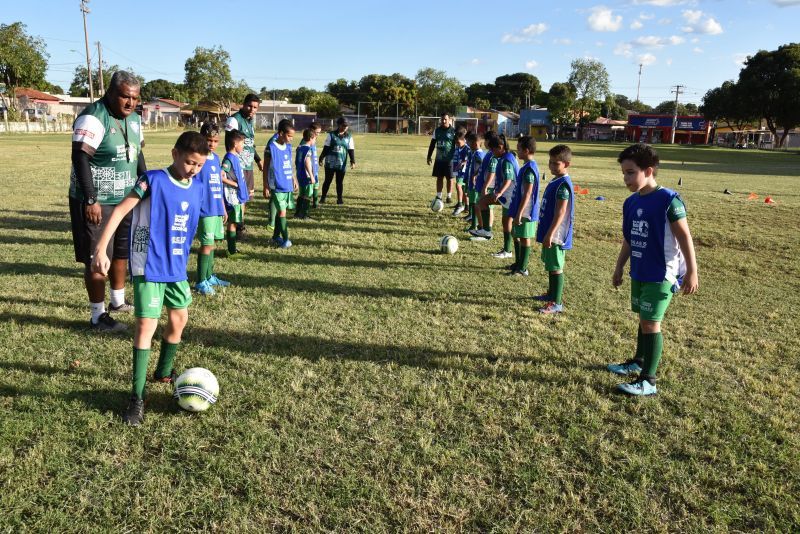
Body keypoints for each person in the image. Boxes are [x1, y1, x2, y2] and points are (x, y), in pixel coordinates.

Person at [91, 131, 208, 425]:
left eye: (199, 165)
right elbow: (119, 211)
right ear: (174, 154)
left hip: (176, 269)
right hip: (150, 266)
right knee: (146, 325)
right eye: (189, 162)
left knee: (179, 320)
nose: (193, 169)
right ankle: (137, 397)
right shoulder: (152, 180)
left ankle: (163, 372)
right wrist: (101, 248)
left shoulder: (197, 187)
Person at [608, 143, 699, 396]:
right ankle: (637, 361)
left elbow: (685, 237)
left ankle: (648, 380)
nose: (625, 178)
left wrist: (692, 271)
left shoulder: (669, 200)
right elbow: (628, 238)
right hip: (639, 270)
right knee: (643, 319)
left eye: (630, 172)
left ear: (648, 170)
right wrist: (619, 267)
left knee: (651, 323)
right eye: (623, 173)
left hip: (662, 274)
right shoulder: (630, 202)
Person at [69, 70, 146, 332]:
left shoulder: (135, 119)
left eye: (135, 98)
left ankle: (117, 301)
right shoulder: (93, 116)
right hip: (98, 200)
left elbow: (137, 154)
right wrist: (91, 199)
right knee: (98, 258)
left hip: (126, 198)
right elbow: (80, 158)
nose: (130, 103)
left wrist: (145, 184)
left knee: (121, 252)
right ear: (111, 93)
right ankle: (97, 316)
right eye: (125, 97)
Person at [535, 145, 575, 313]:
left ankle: (557, 302)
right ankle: (551, 294)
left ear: (566, 164)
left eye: (555, 164)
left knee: (556, 266)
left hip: (556, 234)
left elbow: (561, 212)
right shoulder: (555, 180)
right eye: (550, 162)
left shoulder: (563, 185)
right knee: (550, 265)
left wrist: (550, 234)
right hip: (550, 230)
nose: (551, 166)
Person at [194, 123, 229, 296]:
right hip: (204, 209)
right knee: (206, 245)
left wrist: (222, 207)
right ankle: (200, 281)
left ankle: (209, 276)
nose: (212, 144)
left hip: (216, 207)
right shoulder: (197, 159)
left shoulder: (215, 158)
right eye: (209, 140)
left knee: (212, 244)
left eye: (215, 141)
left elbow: (218, 185)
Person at [474, 134, 518, 259]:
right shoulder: (503, 158)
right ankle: (507, 250)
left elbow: (509, 180)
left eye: (493, 150)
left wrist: (499, 192)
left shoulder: (507, 160)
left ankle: (487, 231)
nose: (492, 153)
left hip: (510, 195)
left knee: (482, 202)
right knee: (506, 222)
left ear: (500, 147)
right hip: (507, 194)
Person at [224, 94, 262, 234]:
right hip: (237, 165)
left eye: (255, 107)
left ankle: (240, 225)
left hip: (248, 165)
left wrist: (258, 160)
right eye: (250, 106)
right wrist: (233, 162)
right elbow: (229, 142)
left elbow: (250, 144)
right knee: (235, 197)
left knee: (244, 197)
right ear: (243, 104)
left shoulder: (251, 121)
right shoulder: (234, 120)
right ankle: (235, 226)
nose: (252, 109)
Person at [508, 136, 541, 277]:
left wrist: (519, 213)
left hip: (526, 211)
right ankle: (518, 263)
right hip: (520, 209)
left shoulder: (529, 169)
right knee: (517, 234)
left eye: (519, 148)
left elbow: (528, 194)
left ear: (526, 151)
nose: (517, 150)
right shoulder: (526, 166)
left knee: (525, 237)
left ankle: (523, 268)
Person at [263, 121, 297, 247]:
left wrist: (293, 178)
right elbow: (266, 166)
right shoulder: (271, 147)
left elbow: (289, 164)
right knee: (282, 213)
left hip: (286, 184)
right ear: (281, 134)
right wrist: (265, 184)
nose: (291, 139)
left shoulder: (288, 147)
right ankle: (286, 239)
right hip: (276, 186)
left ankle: (276, 237)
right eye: (289, 136)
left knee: (280, 212)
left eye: (292, 136)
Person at [221, 130, 249, 260]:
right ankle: (231, 250)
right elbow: (221, 175)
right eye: (242, 143)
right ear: (235, 143)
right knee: (232, 223)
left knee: (235, 222)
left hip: (238, 195)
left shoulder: (235, 157)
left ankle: (232, 248)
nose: (243, 146)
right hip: (232, 196)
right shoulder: (228, 158)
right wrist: (234, 184)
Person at [468, 131, 498, 241]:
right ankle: (483, 229)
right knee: (479, 205)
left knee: (486, 207)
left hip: (489, 186)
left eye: (485, 141)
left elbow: (492, 172)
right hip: (482, 184)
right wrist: (476, 175)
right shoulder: (489, 153)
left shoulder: (493, 155)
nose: (483, 143)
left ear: (489, 141)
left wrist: (486, 186)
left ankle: (486, 231)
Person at [319, 117, 356, 204]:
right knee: (327, 181)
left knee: (339, 182)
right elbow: (326, 148)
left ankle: (339, 199)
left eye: (346, 126)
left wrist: (352, 161)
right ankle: (323, 198)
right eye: (343, 125)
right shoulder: (331, 135)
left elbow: (351, 149)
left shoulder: (349, 137)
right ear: (339, 125)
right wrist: (321, 158)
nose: (345, 127)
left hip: (341, 163)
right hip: (330, 163)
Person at [426, 113, 455, 204]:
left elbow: (458, 144)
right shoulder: (437, 131)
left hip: (450, 159)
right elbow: (432, 144)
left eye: (445, 119)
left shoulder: (454, 131)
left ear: (449, 120)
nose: (443, 121)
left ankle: (449, 196)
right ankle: (439, 196)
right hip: (439, 159)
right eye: (442, 119)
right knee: (439, 177)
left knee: (450, 178)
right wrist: (429, 156)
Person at [464, 132, 485, 232]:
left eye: (470, 143)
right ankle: (473, 224)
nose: (468, 144)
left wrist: (475, 175)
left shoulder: (479, 154)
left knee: (474, 204)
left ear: (476, 144)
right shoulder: (474, 153)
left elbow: (482, 166)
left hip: (475, 184)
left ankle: (474, 225)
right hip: (471, 183)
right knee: (472, 203)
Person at [294, 128, 317, 219]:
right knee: (308, 195)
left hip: (299, 174)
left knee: (301, 194)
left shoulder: (299, 148)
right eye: (315, 138)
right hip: (307, 175)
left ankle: (298, 213)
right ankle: (304, 214)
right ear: (311, 138)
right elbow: (307, 162)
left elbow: (296, 162)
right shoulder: (308, 149)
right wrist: (311, 176)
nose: (315, 140)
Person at [451, 127, 470, 217]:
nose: (457, 144)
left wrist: (463, 162)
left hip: (464, 172)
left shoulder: (467, 149)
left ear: (464, 140)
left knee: (458, 186)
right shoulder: (457, 147)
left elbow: (469, 159)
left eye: (458, 142)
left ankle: (460, 204)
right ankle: (467, 206)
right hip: (458, 171)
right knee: (463, 189)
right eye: (456, 143)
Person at [309, 121, 323, 208]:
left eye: (319, 133)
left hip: (314, 167)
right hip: (309, 168)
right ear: (311, 131)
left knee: (316, 185)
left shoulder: (314, 139)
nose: (318, 134)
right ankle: (303, 207)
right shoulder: (307, 140)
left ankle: (315, 203)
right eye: (317, 132)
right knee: (308, 189)